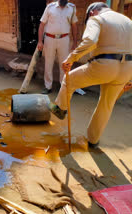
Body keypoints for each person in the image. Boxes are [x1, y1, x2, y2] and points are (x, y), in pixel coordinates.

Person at [49, 2, 132, 148]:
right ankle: (93, 140)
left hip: (104, 66)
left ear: (92, 12)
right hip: (127, 69)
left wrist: (71, 59)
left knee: (69, 81)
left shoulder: (97, 19)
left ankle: (60, 110)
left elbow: (90, 41)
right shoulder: (128, 22)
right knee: (106, 105)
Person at [38, 0, 78, 94]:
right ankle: (48, 86)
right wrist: (40, 41)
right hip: (49, 38)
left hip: (64, 39)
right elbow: (42, 24)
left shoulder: (72, 8)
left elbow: (74, 25)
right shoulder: (50, 7)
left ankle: (63, 86)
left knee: (64, 63)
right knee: (48, 62)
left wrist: (75, 42)